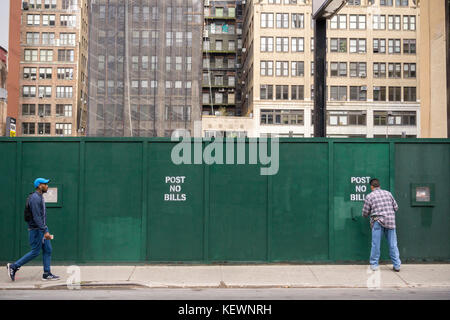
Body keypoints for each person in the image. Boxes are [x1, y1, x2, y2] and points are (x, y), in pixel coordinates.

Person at [7, 178, 60, 281]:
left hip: (42, 228)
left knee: (48, 250)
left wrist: (44, 228)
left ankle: (47, 273)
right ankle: (14, 266)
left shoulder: (40, 197)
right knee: (35, 251)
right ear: (40, 185)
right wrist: (45, 231)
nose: (47, 186)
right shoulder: (35, 198)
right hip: (36, 230)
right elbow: (36, 217)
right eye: (45, 184)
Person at [362, 178, 401, 272]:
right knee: (393, 244)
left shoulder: (370, 196)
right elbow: (396, 207)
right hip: (390, 221)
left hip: (378, 221)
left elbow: (365, 212)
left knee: (376, 244)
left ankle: (374, 264)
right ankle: (397, 265)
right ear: (379, 185)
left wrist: (367, 214)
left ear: (371, 186)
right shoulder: (388, 193)